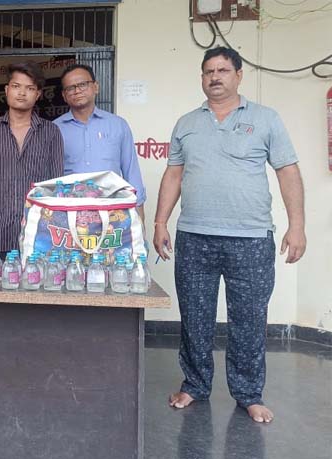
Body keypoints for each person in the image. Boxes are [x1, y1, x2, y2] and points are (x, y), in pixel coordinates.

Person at [153, 47, 306, 424]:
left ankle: (249, 394)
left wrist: (297, 225)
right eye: (208, 71)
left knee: (249, 321)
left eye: (223, 70)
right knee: (195, 319)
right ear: (202, 78)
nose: (215, 77)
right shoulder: (187, 123)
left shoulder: (266, 119)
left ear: (239, 75)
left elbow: (287, 171)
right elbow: (174, 174)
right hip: (194, 237)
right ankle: (194, 385)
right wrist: (160, 222)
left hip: (251, 239)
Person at [0, 61, 64, 256]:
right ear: (7, 90)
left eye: (29, 88)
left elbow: (56, 187)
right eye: (16, 86)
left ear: (38, 94)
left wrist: (53, 230)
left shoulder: (51, 132)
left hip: (39, 234)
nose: (22, 93)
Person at [54, 63, 146, 215]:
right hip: (68, 213)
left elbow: (131, 172)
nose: (77, 91)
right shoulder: (54, 129)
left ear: (95, 87)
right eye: (70, 88)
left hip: (112, 212)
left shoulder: (118, 125)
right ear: (64, 95)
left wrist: (139, 217)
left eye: (82, 84)